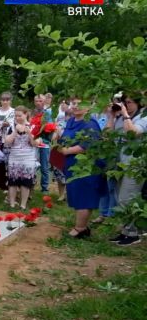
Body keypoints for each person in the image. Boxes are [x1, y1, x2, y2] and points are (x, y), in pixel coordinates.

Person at [56, 100, 104, 239]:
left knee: (84, 195)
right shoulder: (71, 121)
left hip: (85, 166)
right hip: (72, 165)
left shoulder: (90, 124)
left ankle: (81, 229)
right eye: (74, 103)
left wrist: (67, 150)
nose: (76, 106)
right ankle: (80, 225)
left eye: (80, 104)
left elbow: (88, 145)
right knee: (76, 194)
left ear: (89, 107)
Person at [110, 94, 146, 246]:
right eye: (123, 102)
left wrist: (125, 114)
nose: (126, 105)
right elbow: (108, 134)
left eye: (129, 102)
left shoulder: (144, 117)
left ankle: (133, 233)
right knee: (120, 198)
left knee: (128, 198)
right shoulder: (121, 118)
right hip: (120, 163)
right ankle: (125, 231)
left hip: (135, 165)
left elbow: (132, 132)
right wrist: (111, 116)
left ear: (138, 103)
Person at [4, 106, 40, 209]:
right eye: (16, 115)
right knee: (12, 181)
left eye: (20, 115)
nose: (17, 117)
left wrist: (29, 133)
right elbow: (7, 142)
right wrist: (15, 131)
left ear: (26, 114)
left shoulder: (33, 127)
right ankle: (11, 203)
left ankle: (23, 205)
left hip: (28, 157)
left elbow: (35, 144)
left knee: (26, 181)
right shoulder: (12, 126)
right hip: (14, 157)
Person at [33, 94, 53, 192]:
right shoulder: (32, 113)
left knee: (44, 166)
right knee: (33, 164)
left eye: (40, 101)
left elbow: (51, 127)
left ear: (44, 102)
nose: (38, 103)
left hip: (45, 141)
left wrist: (44, 129)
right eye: (36, 101)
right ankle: (31, 184)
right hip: (34, 141)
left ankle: (44, 188)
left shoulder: (48, 113)